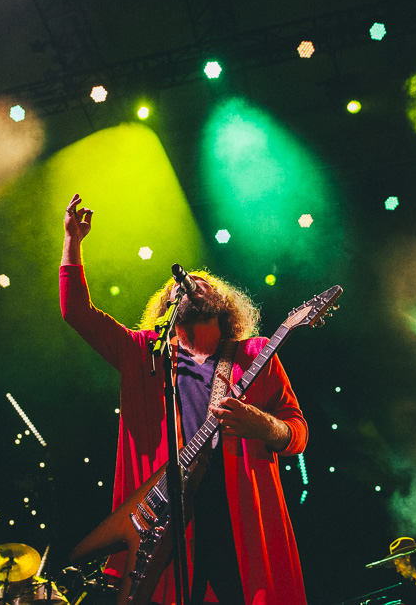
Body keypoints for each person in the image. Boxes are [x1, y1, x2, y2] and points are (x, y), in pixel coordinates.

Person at [59, 193, 308, 605]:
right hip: (166, 512)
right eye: (182, 286)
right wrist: (72, 242)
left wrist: (264, 426)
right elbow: (76, 313)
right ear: (167, 306)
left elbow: (297, 432)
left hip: (237, 510)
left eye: (203, 283)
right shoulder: (143, 354)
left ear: (222, 303)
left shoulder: (255, 354)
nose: (192, 285)